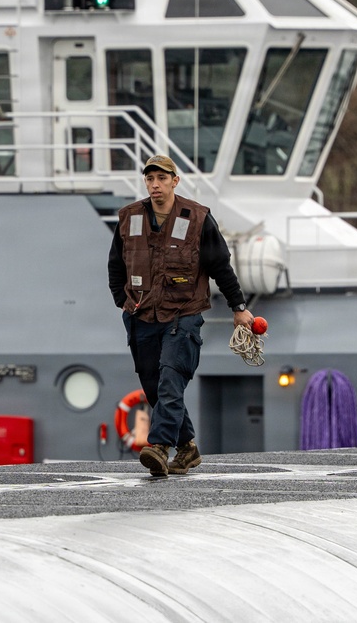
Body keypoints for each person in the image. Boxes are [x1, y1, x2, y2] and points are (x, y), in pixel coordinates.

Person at [107, 155, 253, 477]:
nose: (155, 185)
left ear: (175, 181)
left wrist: (239, 308)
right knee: (153, 387)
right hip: (141, 315)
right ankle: (187, 448)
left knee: (171, 378)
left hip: (183, 314)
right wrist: (123, 302)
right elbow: (116, 265)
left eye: (162, 178)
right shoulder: (129, 217)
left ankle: (159, 446)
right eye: (150, 179)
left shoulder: (198, 218)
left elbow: (220, 266)